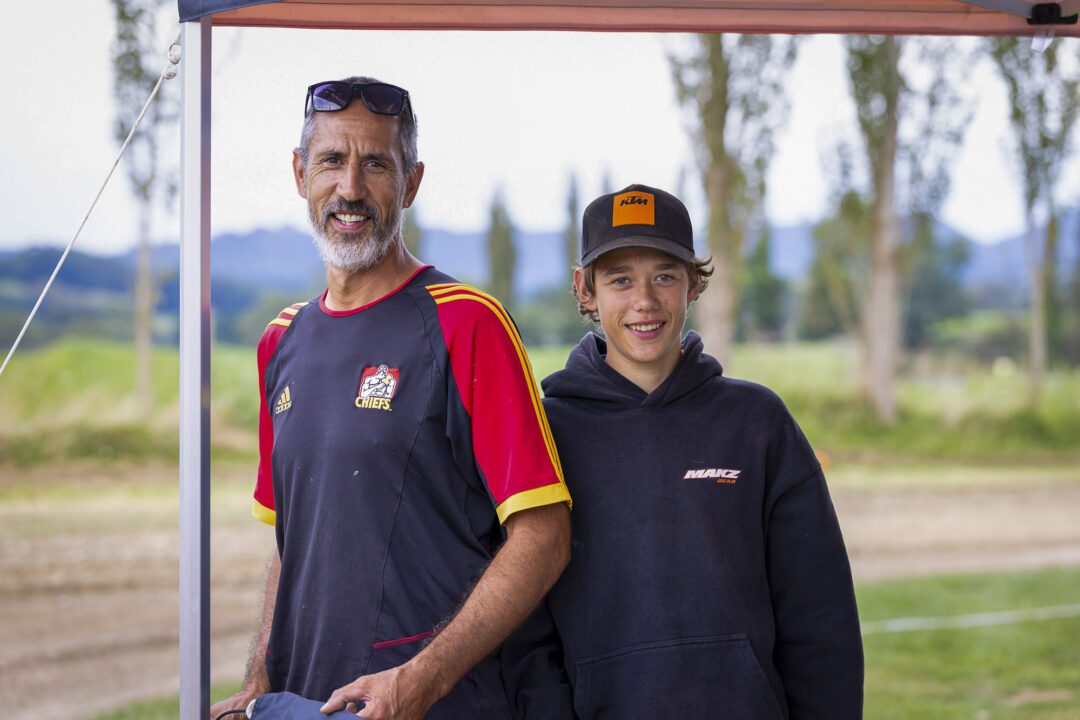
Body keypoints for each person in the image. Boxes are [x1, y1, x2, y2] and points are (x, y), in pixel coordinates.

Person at [210, 77, 572, 720]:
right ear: (299, 173)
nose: (350, 188)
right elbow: (294, 537)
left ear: (411, 182)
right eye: (330, 161)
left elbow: (544, 536)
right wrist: (258, 679)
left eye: (375, 163)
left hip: (438, 707)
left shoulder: (468, 323)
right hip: (301, 705)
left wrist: (421, 681)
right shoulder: (280, 340)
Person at [540, 184, 864, 718]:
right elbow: (525, 629)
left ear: (693, 283)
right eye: (620, 279)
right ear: (585, 290)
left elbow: (819, 615)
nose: (645, 301)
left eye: (664, 276)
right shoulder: (545, 434)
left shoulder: (757, 423)